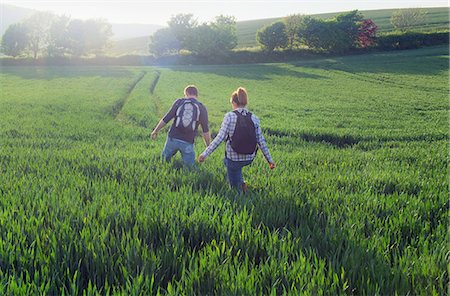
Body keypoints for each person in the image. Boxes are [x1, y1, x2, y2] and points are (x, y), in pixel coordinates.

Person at [198, 87, 275, 193]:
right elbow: (261, 141)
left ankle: (240, 192)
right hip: (249, 157)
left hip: (233, 159)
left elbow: (220, 138)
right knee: (234, 167)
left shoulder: (229, 116)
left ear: (234, 102)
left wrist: (204, 154)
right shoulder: (254, 118)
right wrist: (270, 161)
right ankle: (241, 183)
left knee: (234, 186)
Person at [151, 85, 211, 167]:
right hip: (187, 142)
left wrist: (155, 131)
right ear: (196, 95)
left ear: (186, 93)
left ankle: (161, 172)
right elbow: (205, 130)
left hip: (172, 139)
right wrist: (208, 147)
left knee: (164, 162)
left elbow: (166, 119)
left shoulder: (179, 102)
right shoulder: (201, 107)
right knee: (190, 168)